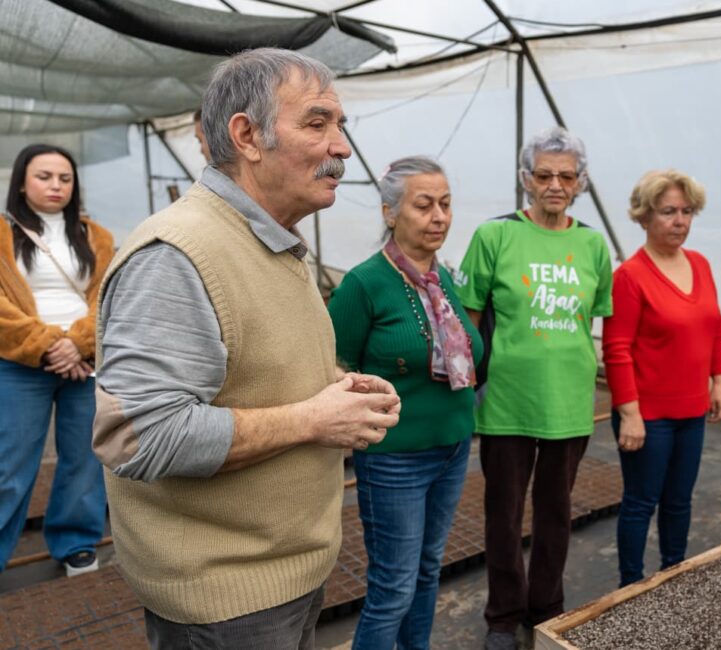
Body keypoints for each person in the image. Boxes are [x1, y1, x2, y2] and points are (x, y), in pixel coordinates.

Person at [92, 48, 400, 648]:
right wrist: (313, 418)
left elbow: (248, 364)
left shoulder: (271, 240)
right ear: (247, 135)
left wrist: (333, 386)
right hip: (227, 602)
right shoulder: (179, 255)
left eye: (341, 127)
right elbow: (137, 435)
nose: (341, 147)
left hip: (282, 578)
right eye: (318, 123)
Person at [454, 127, 613, 650]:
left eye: (565, 176)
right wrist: (465, 387)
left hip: (569, 401)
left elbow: (595, 319)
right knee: (502, 512)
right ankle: (503, 615)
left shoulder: (592, 245)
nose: (554, 184)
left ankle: (546, 606)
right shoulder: (495, 236)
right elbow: (470, 321)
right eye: (543, 175)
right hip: (505, 401)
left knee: (556, 512)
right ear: (526, 180)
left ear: (580, 182)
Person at [328, 156, 483, 650]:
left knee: (426, 572)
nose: (439, 216)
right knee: (393, 588)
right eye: (424, 205)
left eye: (445, 204)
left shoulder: (446, 279)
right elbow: (332, 366)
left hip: (454, 447)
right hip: (395, 458)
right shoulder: (365, 283)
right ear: (390, 212)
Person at [602, 170, 721, 587]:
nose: (680, 221)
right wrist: (630, 414)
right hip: (649, 416)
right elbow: (616, 349)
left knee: (679, 501)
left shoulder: (700, 264)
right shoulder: (630, 277)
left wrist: (719, 381)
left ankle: (673, 575)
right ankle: (631, 586)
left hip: (691, 411)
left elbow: (713, 327)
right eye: (668, 211)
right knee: (641, 502)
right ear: (644, 216)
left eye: (687, 212)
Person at [0, 144, 113, 577]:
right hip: (20, 364)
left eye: (64, 179)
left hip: (82, 363)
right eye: (44, 176)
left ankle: (75, 542)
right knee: (9, 464)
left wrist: (78, 344)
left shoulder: (95, 235)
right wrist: (50, 343)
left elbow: (106, 296)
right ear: (22, 182)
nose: (55, 186)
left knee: (85, 458)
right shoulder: (4, 233)